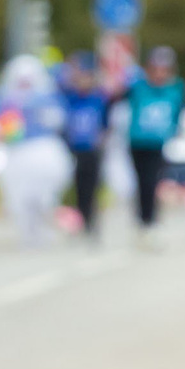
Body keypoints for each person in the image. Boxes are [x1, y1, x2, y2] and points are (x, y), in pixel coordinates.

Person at [0, 54, 72, 247]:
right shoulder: (1, 100)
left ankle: (43, 230)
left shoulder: (48, 98)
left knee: (43, 198)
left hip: (44, 152)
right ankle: (27, 235)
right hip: (15, 155)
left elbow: (59, 121)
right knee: (18, 199)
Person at [123, 45, 185, 247]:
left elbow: (177, 113)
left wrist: (175, 132)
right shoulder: (137, 86)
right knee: (142, 182)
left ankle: (149, 221)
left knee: (152, 182)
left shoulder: (175, 88)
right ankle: (143, 220)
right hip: (138, 141)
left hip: (159, 143)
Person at [55, 51, 113, 242]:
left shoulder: (99, 99)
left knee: (92, 188)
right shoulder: (69, 98)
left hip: (92, 149)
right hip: (73, 148)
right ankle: (75, 222)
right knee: (74, 189)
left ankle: (90, 223)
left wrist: (101, 139)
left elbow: (105, 124)